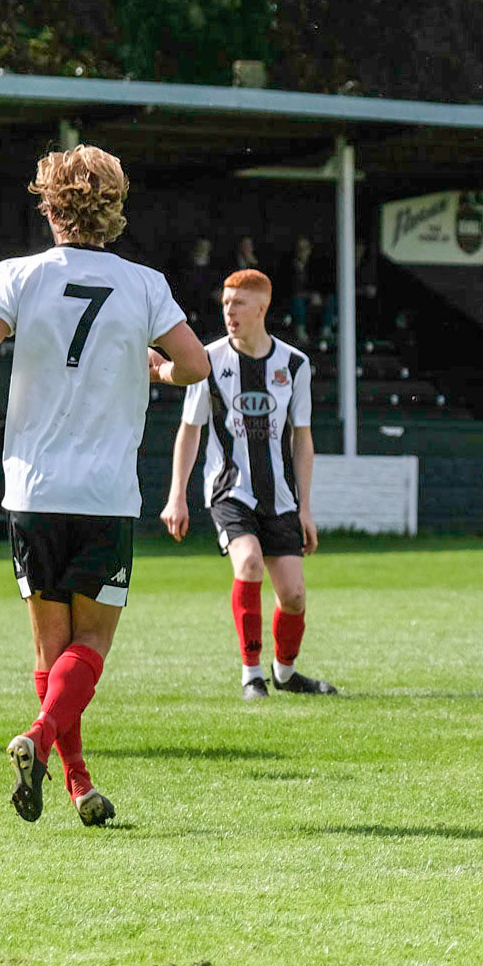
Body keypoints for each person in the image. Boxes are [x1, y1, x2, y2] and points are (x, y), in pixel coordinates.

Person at [0, 145, 209, 826]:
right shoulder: (143, 284)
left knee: (49, 651)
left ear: (49, 205)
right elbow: (197, 363)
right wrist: (162, 375)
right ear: (114, 208)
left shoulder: (18, 274)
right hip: (104, 494)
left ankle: (78, 785)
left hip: (30, 490)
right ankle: (38, 739)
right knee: (89, 647)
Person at [160, 268, 339, 701]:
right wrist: (176, 495)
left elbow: (303, 439)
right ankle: (251, 675)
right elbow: (190, 430)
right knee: (249, 564)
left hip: (279, 497)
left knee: (294, 595)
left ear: (262, 307)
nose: (229, 311)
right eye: (225, 304)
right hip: (229, 489)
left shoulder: (295, 365)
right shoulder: (208, 360)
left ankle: (285, 672)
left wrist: (306, 509)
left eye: (238, 303)